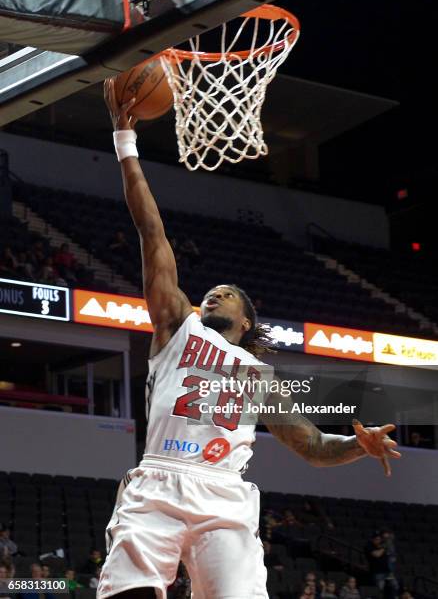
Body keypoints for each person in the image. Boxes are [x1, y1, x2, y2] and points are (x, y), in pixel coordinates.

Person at [97, 78, 402, 599]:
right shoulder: (177, 325)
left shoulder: (260, 380)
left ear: (247, 322)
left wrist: (359, 445)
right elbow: (153, 232)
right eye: (210, 292)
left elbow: (313, 445)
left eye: (226, 294)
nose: (212, 295)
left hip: (225, 494)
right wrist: (126, 140)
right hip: (161, 480)